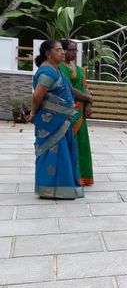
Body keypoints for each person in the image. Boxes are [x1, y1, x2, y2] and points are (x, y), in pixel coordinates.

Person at [29, 40, 84, 199]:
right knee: (51, 153)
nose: (62, 52)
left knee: (63, 153)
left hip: (62, 121)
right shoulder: (48, 71)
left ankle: (63, 188)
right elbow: (37, 95)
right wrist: (33, 112)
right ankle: (48, 189)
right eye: (58, 50)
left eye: (62, 50)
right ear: (48, 53)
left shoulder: (56, 69)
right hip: (51, 122)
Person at [59, 40, 94, 186]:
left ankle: (84, 176)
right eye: (70, 50)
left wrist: (88, 104)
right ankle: (72, 175)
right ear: (64, 51)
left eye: (75, 50)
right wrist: (88, 97)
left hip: (81, 112)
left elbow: (85, 86)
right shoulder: (61, 68)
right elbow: (69, 89)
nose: (73, 53)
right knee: (71, 143)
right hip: (69, 111)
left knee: (82, 143)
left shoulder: (80, 69)